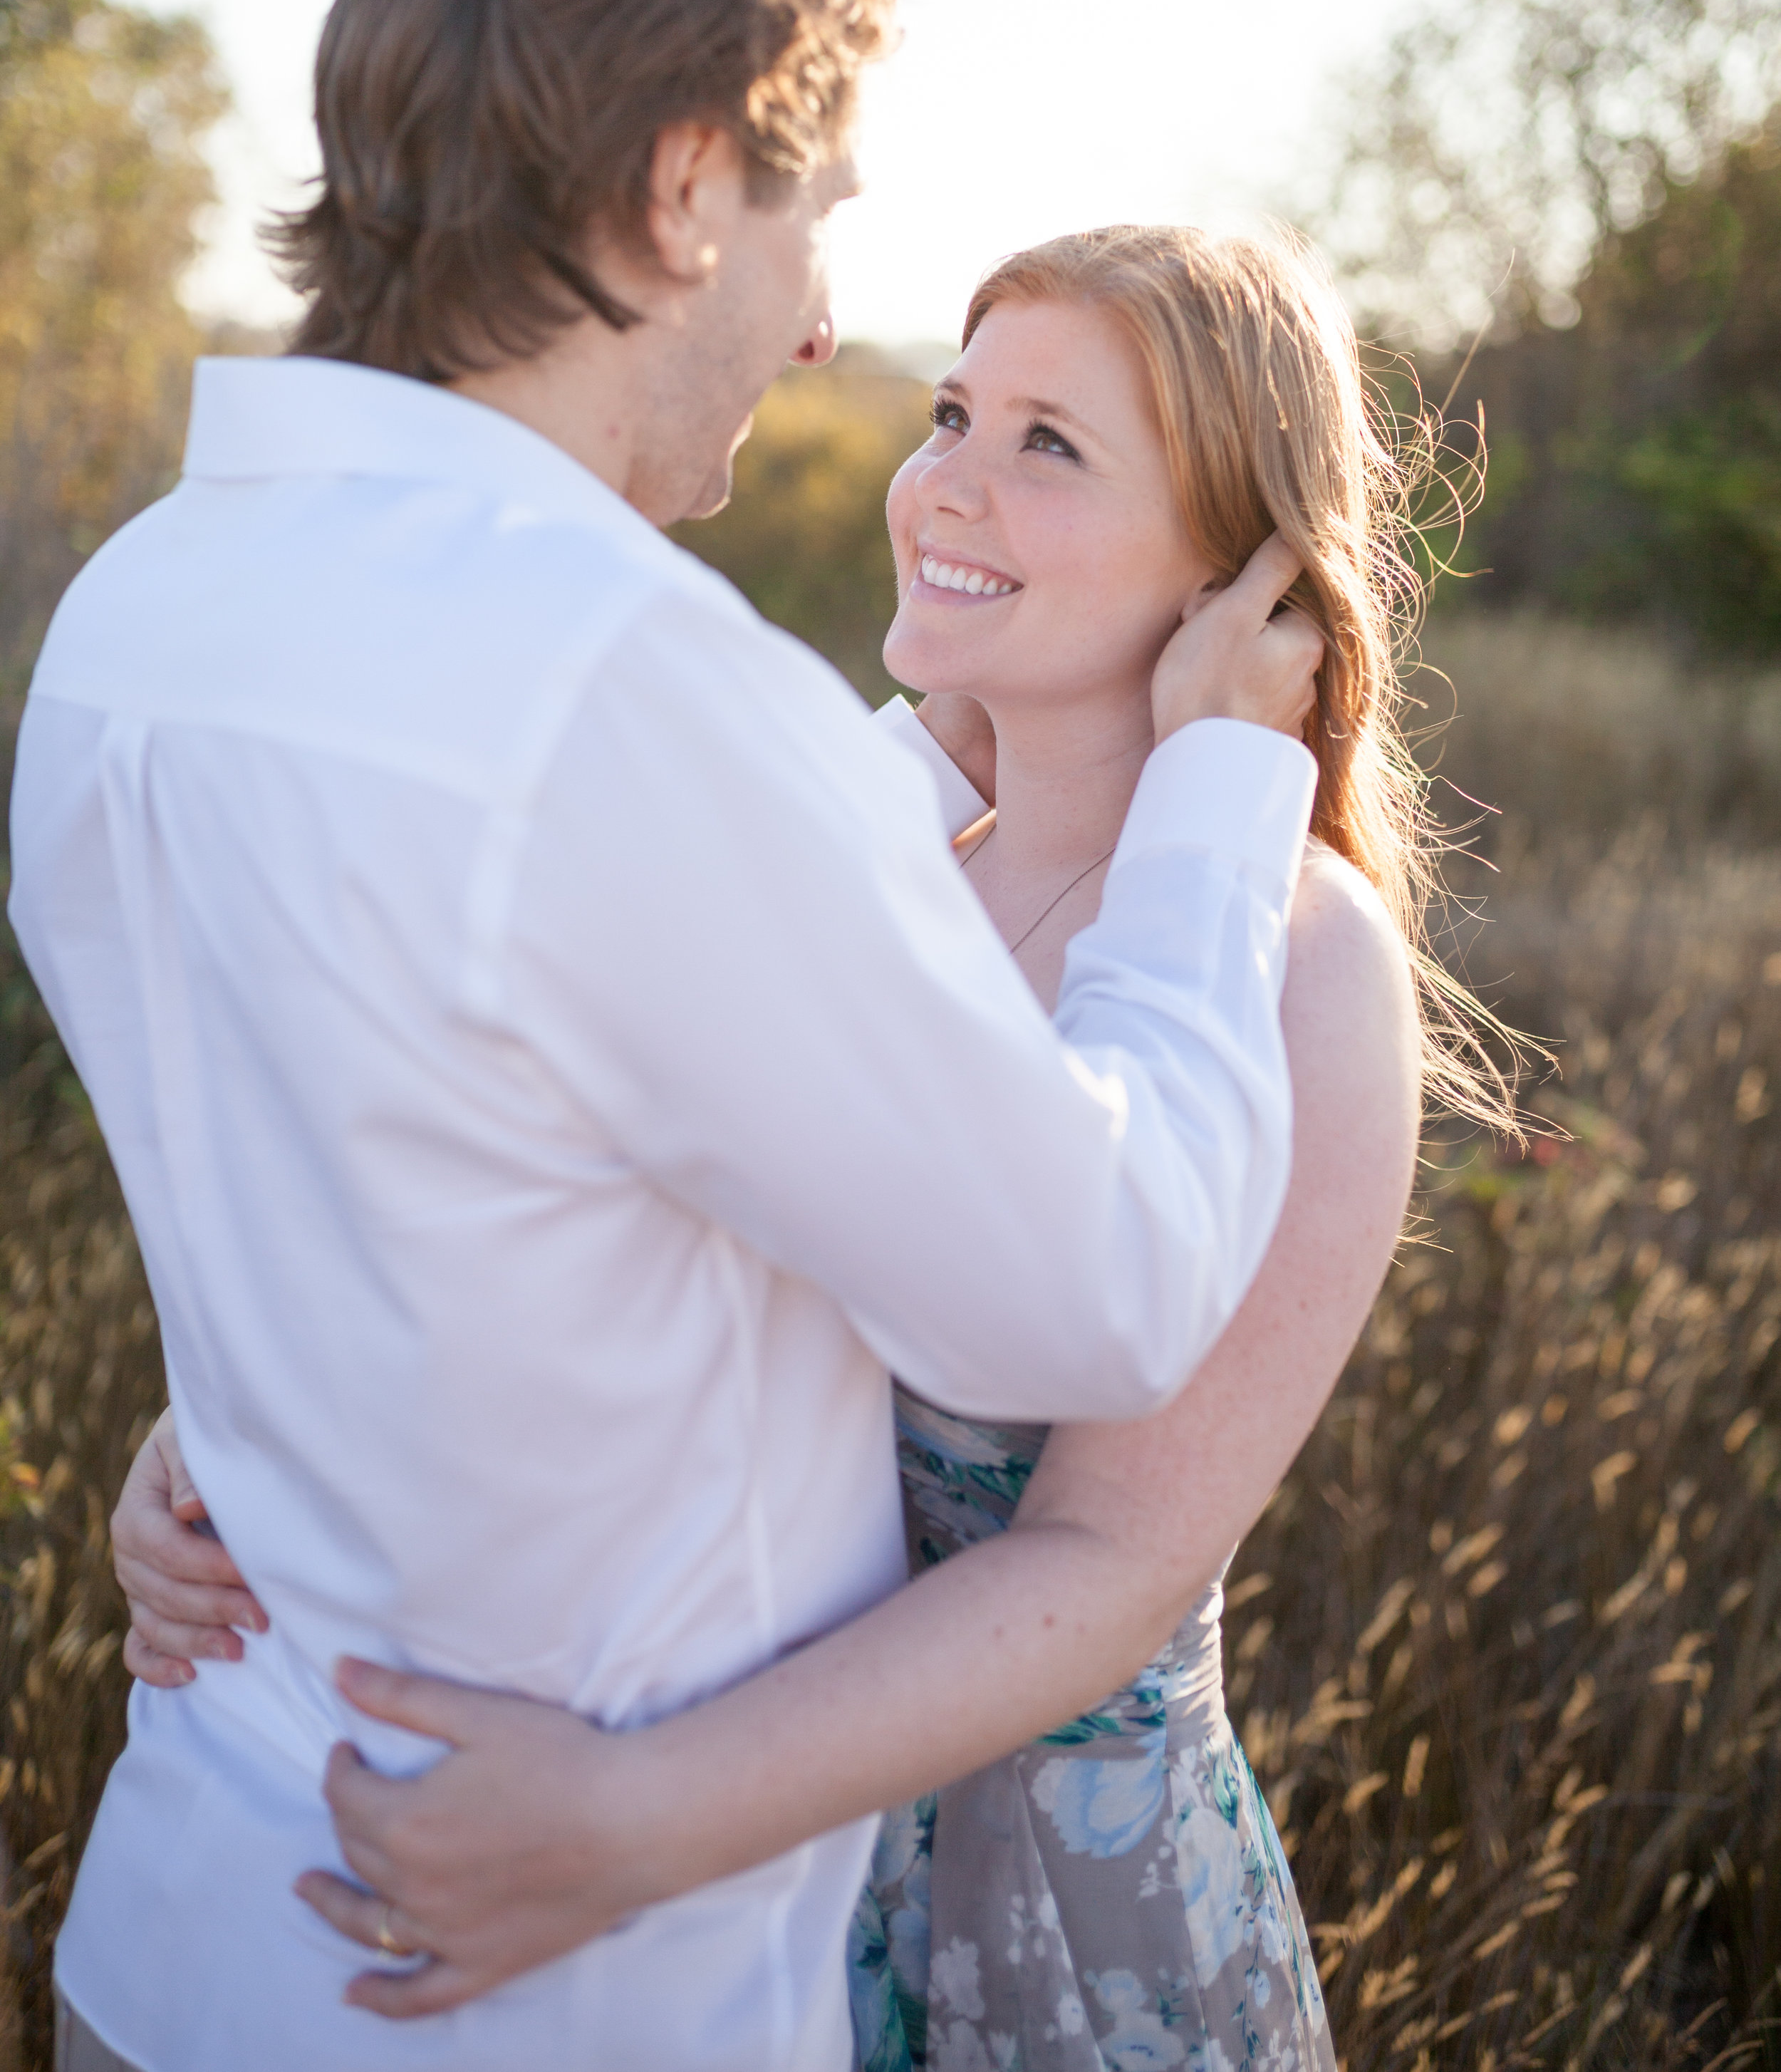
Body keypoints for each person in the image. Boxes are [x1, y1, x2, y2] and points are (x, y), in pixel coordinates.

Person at [9, 0, 1324, 2072]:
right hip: (529, 1994)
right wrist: (1221, 793)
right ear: (685, 184)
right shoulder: (621, 695)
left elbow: (379, 1202)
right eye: (813, 223)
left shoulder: (135, 617)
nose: (820, 323)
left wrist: (217, 1442)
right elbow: (1106, 1282)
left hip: (183, 1918)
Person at [113, 227, 1508, 2063]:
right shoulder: (865, 863)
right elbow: (516, 1213)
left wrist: (625, 1825)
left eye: (1049, 445)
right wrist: (217, 1448)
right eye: (953, 412)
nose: (943, 482)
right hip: (713, 1907)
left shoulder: (1299, 961)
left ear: (1239, 565)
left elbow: (1102, 1570)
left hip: (1028, 1921)